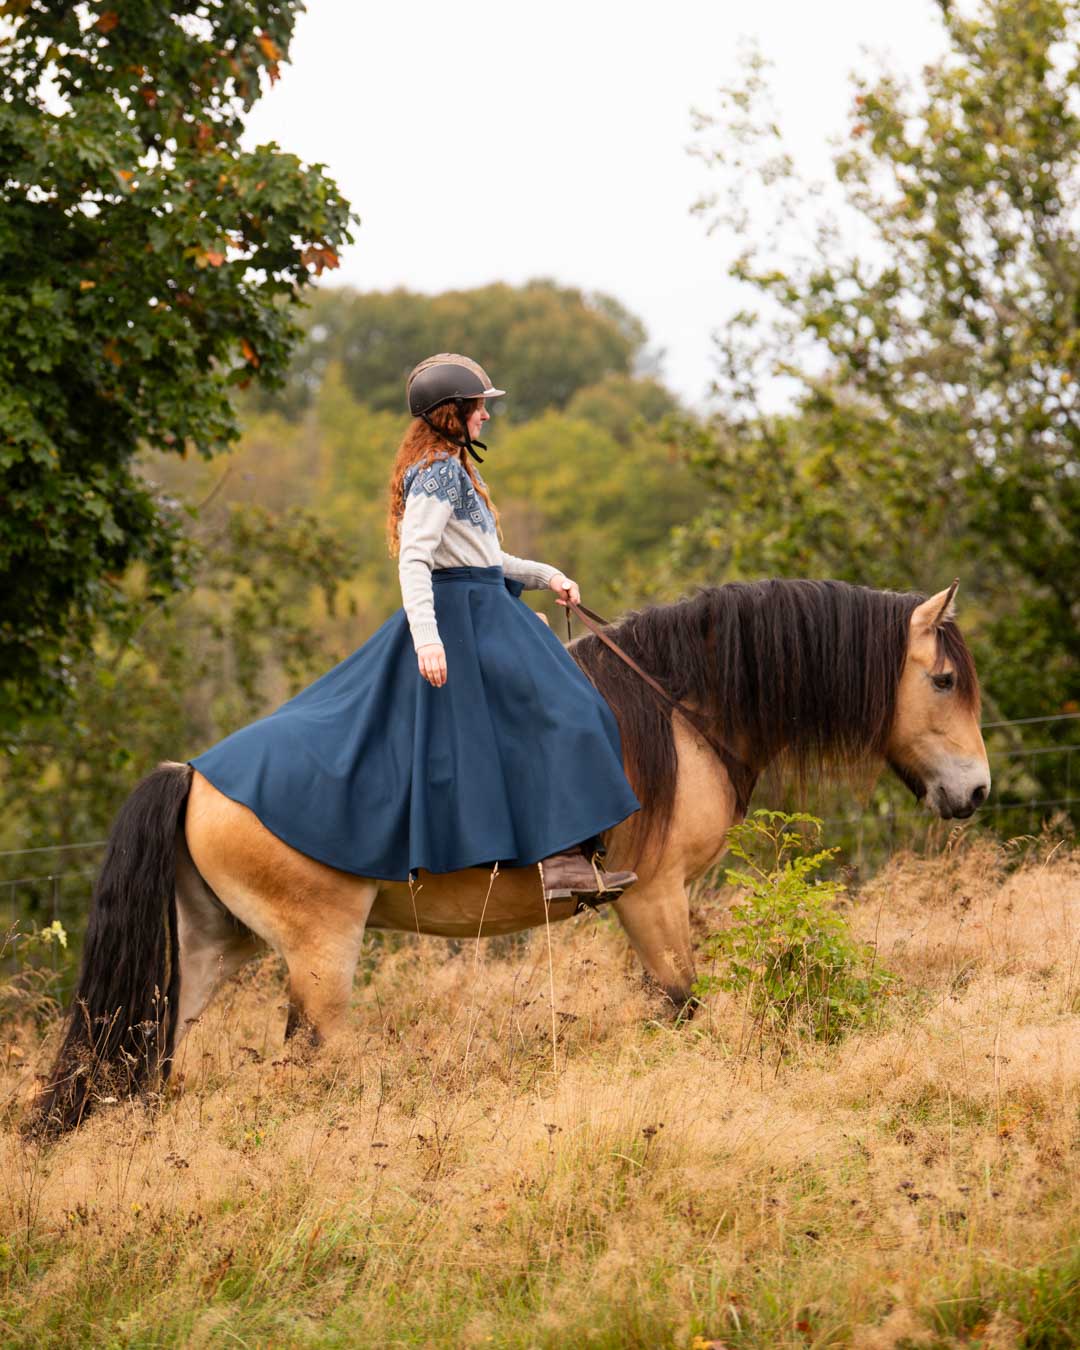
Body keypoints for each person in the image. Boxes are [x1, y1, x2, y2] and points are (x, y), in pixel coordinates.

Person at [189, 353, 641, 903]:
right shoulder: (439, 474)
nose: (487, 416)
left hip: (483, 605)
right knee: (566, 708)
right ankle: (563, 862)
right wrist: (428, 639)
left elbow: (485, 558)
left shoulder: (455, 469)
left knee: (565, 705)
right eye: (479, 407)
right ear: (452, 413)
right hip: (462, 619)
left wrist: (549, 575)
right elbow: (416, 559)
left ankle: (568, 852)